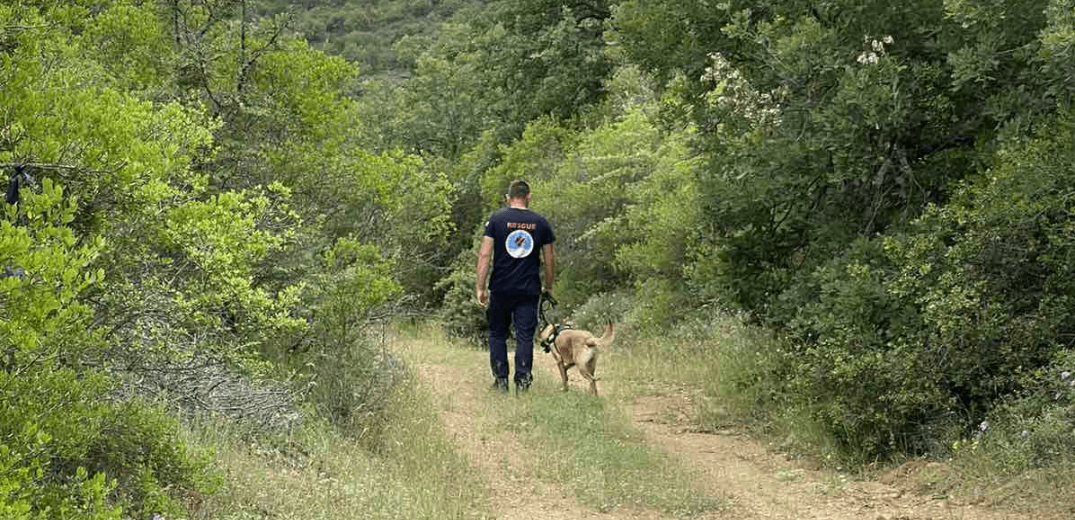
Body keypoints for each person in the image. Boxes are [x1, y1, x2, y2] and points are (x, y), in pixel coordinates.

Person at [475, 179, 556, 394]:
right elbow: (549, 259)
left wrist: (480, 287)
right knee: (524, 337)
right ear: (529, 196)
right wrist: (548, 287)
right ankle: (522, 383)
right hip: (528, 290)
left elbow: (484, 255)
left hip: (500, 288)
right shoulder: (541, 222)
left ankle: (501, 381)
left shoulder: (496, 220)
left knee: (497, 334)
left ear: (508, 198)